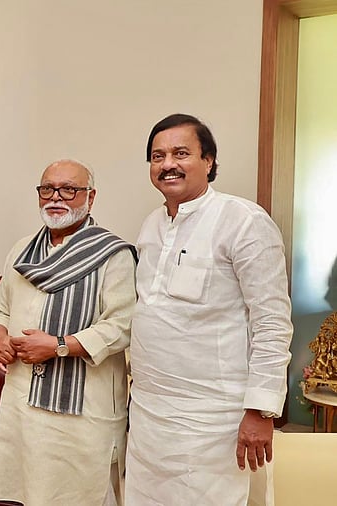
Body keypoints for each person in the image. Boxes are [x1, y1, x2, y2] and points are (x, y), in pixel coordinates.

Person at [126, 113, 293, 505]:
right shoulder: (150, 226)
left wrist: (261, 410)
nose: (168, 164)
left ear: (209, 161)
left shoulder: (244, 221)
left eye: (181, 153)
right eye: (157, 156)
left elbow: (271, 322)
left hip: (213, 418)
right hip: (150, 414)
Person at [0, 160, 135, 505]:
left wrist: (58, 346)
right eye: (47, 189)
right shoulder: (22, 250)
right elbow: (0, 308)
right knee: (29, 492)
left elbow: (121, 326)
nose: (56, 198)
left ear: (90, 197)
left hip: (83, 409)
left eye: (69, 190)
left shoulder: (113, 254)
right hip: (24, 400)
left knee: (80, 495)